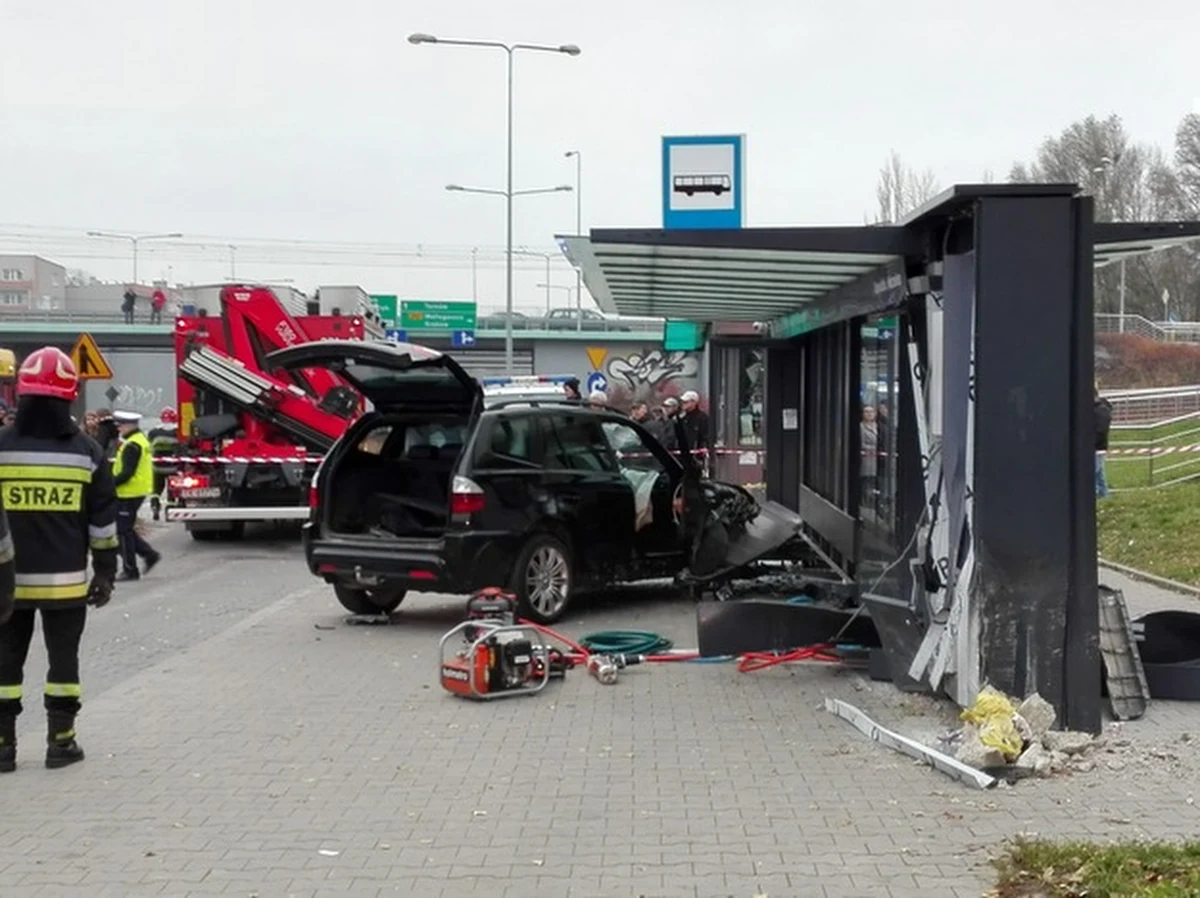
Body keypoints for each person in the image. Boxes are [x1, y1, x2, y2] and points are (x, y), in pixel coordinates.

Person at [0, 346, 118, 772]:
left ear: (22, 394)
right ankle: (61, 743)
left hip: (5, 585)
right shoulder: (87, 452)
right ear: (69, 396)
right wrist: (105, 573)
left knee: (4, 663)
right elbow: (103, 523)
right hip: (64, 584)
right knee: (63, 662)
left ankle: (3, 747)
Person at [111, 411, 162, 580]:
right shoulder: (139, 440)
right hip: (135, 491)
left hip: (128, 492)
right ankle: (149, 555)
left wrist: (108, 484)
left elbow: (126, 473)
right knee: (125, 529)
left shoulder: (132, 445)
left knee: (122, 531)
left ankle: (130, 569)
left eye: (121, 425)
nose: (119, 428)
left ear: (129, 425)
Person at [147, 407, 182, 521]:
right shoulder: (178, 432)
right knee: (172, 489)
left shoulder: (153, 432)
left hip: (157, 465)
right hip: (173, 466)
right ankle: (170, 510)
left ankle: (155, 506)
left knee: (156, 488)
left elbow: (149, 447)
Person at [1095, 386, 1113, 499]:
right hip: (1099, 446)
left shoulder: (1101, 410)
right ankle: (1104, 494)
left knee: (1094, 472)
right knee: (1099, 473)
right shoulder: (1102, 409)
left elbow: (1100, 430)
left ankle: (1102, 493)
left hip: (1097, 446)